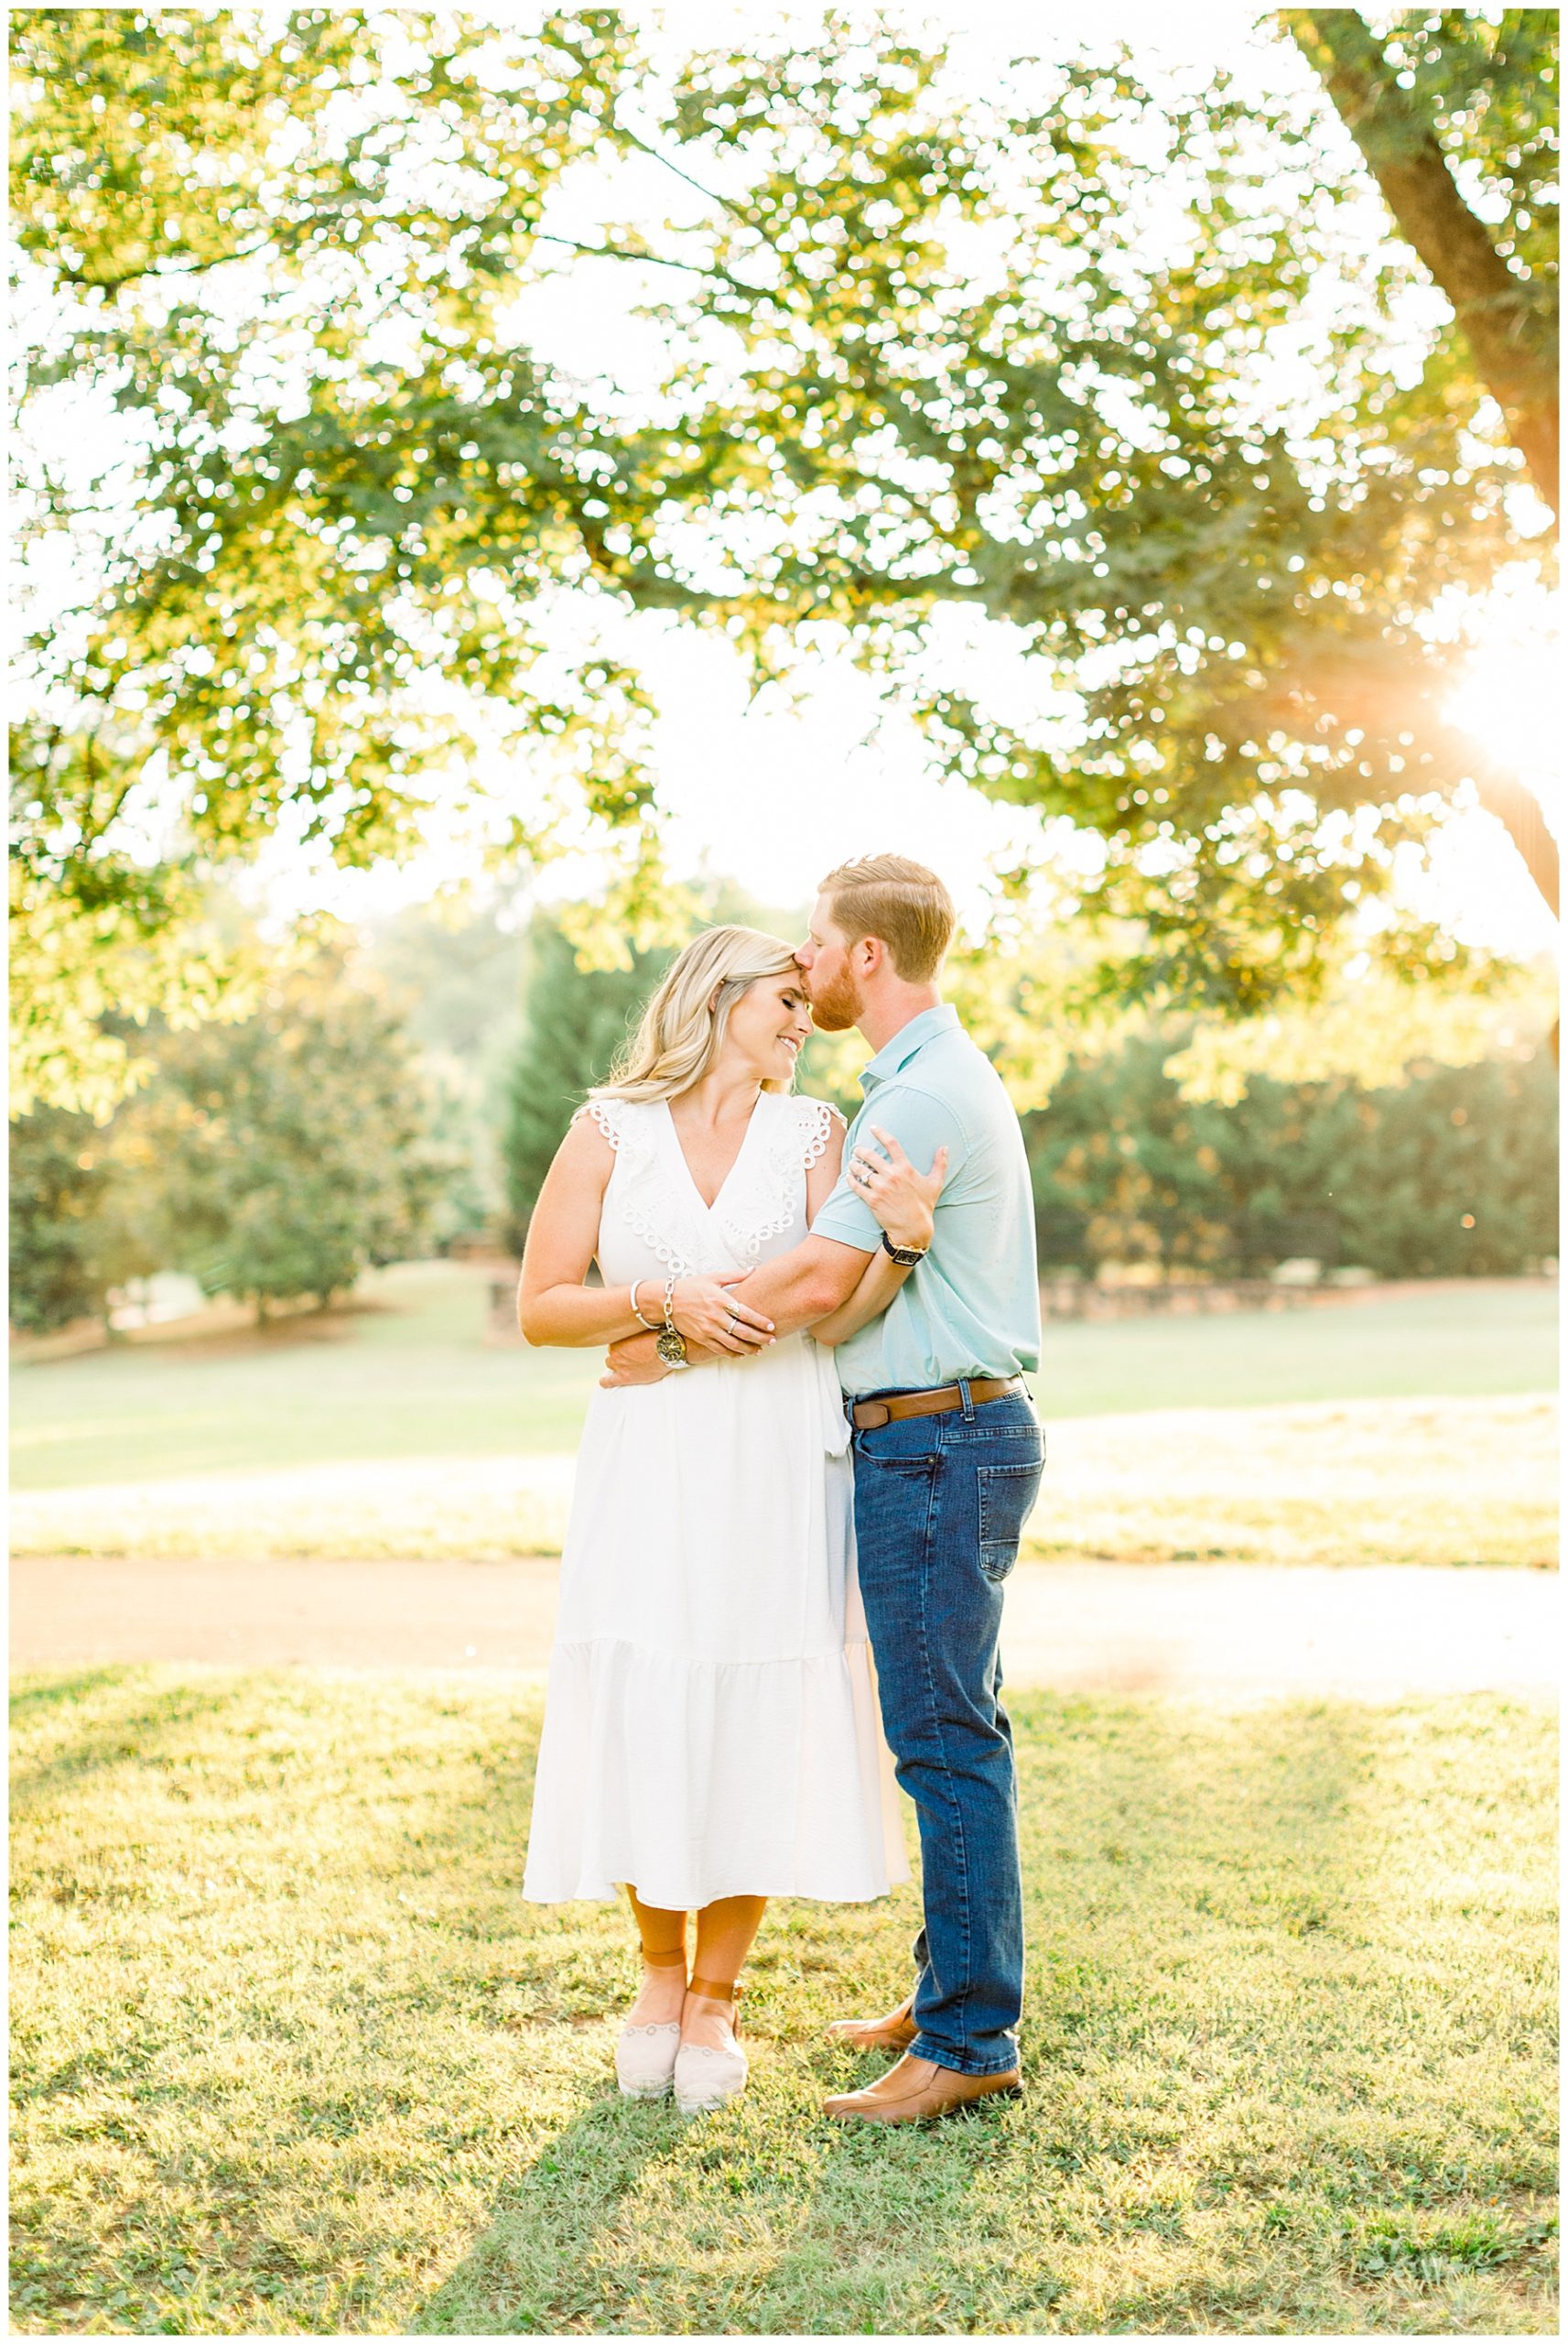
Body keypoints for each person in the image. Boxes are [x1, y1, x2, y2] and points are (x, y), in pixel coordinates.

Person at [600, 856, 1044, 2125]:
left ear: (865, 956)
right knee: (957, 1729)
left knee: (943, 1744)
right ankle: (953, 1989)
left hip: (937, 1443)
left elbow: (801, 1288)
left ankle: (967, 2040)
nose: (803, 969)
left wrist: (659, 1341)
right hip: (939, 1438)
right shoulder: (918, 1081)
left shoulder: (917, 1099)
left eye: (814, 945)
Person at [516, 925, 942, 2117]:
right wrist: (659, 1305)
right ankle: (655, 1979)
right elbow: (543, 1307)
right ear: (718, 997)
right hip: (644, 1455)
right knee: (652, 1687)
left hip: (772, 1452)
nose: (807, 1023)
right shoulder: (609, 1128)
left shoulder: (815, 1133)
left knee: (757, 1696)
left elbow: (835, 1301)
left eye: (808, 1005)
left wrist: (901, 1242)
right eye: (787, 1001)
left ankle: (716, 1996)